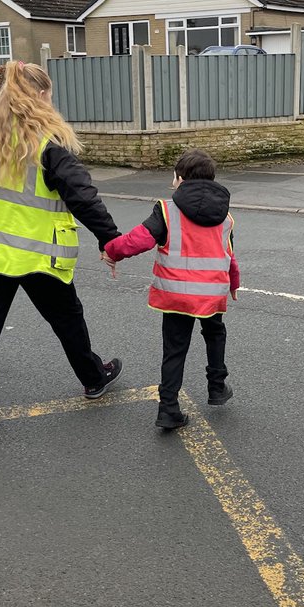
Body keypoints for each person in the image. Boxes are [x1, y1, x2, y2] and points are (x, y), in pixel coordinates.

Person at [0, 61, 122, 437]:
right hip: (40, 254)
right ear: (40, 96)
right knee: (67, 319)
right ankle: (93, 378)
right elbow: (83, 197)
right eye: (49, 95)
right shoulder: (48, 144)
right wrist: (110, 240)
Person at [102, 148, 239, 431]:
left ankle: (169, 409)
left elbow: (137, 241)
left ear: (179, 178)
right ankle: (217, 386)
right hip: (212, 293)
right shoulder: (225, 216)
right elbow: (229, 255)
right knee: (215, 333)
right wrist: (233, 285)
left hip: (177, 295)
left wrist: (111, 251)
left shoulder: (166, 210)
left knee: (175, 350)